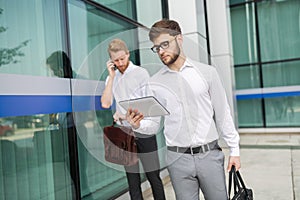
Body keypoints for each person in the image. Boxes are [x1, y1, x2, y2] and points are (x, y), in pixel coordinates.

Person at [126, 19, 241, 200]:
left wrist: (235, 149)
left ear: (179, 39)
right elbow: (153, 125)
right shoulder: (155, 83)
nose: (161, 51)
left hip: (209, 155)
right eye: (157, 48)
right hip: (177, 159)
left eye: (165, 44)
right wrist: (138, 125)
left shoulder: (207, 73)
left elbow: (222, 113)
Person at [100, 39, 166, 200]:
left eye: (122, 58)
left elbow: (148, 104)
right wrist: (111, 76)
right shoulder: (111, 78)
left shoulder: (141, 73)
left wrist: (124, 116)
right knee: (132, 180)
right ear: (111, 61)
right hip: (125, 134)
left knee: (153, 176)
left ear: (128, 54)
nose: (120, 63)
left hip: (143, 131)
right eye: (116, 60)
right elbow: (105, 103)